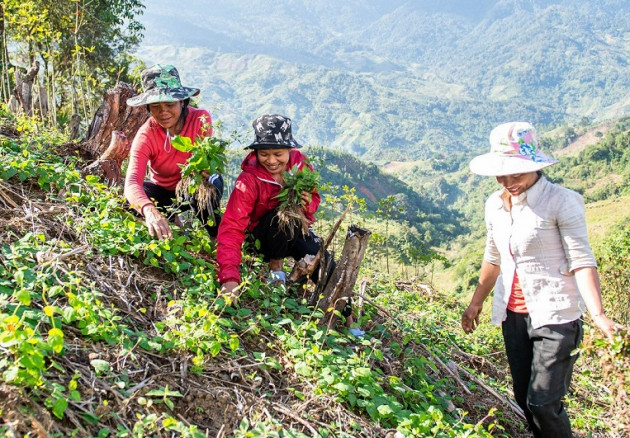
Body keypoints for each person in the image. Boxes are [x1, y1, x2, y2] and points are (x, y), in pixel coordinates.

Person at [461, 122, 619, 437]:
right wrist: (475, 303)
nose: (509, 182)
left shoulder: (562, 201)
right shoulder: (494, 204)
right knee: (523, 397)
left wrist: (598, 314)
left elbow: (582, 260)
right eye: (502, 176)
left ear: (535, 168)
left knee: (543, 402)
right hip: (514, 316)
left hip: (556, 316)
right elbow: (493, 257)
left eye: (516, 175)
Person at [216, 114, 322, 301]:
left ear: (289, 150)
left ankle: (349, 321)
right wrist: (229, 278)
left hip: (293, 231)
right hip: (259, 240)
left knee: (323, 263)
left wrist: (308, 204)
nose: (272, 161)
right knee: (283, 216)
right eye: (264, 154)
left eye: (278, 154)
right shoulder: (248, 180)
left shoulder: (300, 165)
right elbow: (232, 226)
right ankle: (276, 268)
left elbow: (314, 201)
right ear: (256, 153)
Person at [124, 64, 223, 241]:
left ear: (183, 102)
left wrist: (205, 171)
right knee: (131, 202)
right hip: (163, 192)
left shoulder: (200, 119)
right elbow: (132, 183)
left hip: (192, 186)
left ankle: (217, 238)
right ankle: (170, 225)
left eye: (170, 104)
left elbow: (203, 164)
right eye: (155, 106)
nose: (163, 112)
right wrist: (149, 210)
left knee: (202, 189)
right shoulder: (146, 135)